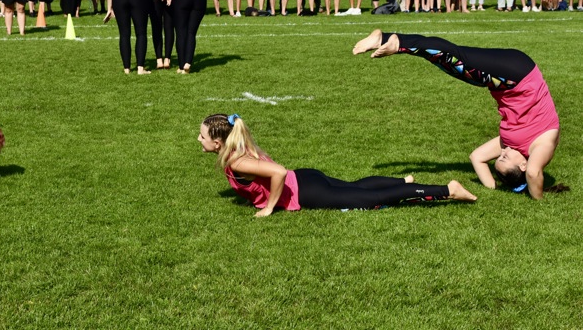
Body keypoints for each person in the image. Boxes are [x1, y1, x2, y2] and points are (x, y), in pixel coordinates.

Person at [353, 29, 560, 200]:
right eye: (505, 158)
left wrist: (492, 188)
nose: (502, 152)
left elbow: (477, 157)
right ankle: (393, 42)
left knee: (451, 64)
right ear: (523, 164)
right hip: (520, 74)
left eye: (500, 158)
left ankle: (390, 41)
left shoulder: (511, 144)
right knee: (458, 58)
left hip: (504, 84)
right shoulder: (542, 144)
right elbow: (533, 173)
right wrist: (538, 201)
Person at [199, 113, 477, 216]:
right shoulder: (237, 147)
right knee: (357, 187)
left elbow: (278, 172)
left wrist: (269, 207)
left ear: (217, 143)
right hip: (307, 178)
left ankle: (447, 190)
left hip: (307, 192)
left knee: (371, 201)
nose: (198, 139)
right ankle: (403, 182)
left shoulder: (237, 162)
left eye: (202, 135)